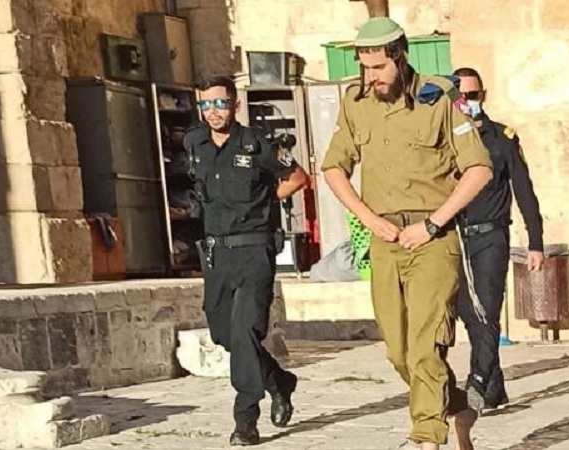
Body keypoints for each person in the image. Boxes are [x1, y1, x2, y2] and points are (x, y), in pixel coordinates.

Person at [321, 17, 493, 450]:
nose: (372, 77)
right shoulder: (355, 103)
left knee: (424, 347)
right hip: (384, 241)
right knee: (399, 353)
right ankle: (457, 407)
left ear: (400, 57)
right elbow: (334, 168)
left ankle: (426, 438)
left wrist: (433, 223)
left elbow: (478, 169)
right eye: (365, 68)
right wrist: (367, 218)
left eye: (379, 67)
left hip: (433, 240)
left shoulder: (439, 97)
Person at [183, 76, 309, 446]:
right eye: (206, 104)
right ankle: (279, 381)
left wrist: (264, 203)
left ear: (235, 105)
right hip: (217, 253)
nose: (213, 111)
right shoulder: (195, 143)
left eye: (220, 103)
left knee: (245, 331)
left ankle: (245, 419)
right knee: (224, 334)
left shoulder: (257, 143)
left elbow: (298, 177)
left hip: (254, 249)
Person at [452, 67, 545, 411]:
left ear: (483, 96)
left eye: (472, 95)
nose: (467, 102)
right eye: (461, 96)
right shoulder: (447, 139)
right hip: (458, 237)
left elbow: (524, 190)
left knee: (487, 310)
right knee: (468, 312)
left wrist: (535, 242)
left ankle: (476, 382)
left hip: (491, 236)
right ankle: (494, 385)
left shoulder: (502, 139)